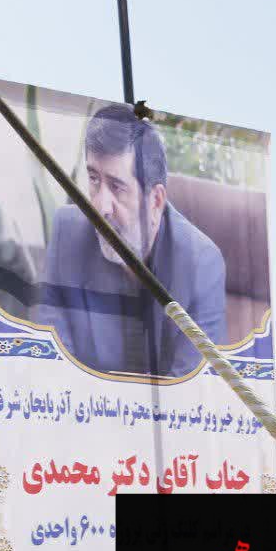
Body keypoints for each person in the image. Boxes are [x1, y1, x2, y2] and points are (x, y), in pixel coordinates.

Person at [39, 104, 227, 377]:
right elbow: (50, 363)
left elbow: (191, 387)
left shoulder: (201, 262)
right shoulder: (66, 231)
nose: (101, 206)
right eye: (93, 179)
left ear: (156, 201)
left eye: (117, 187)